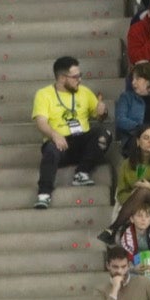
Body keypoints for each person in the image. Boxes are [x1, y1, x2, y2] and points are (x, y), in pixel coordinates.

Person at [32, 55, 108, 211]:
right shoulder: (44, 94)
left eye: (80, 75)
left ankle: (82, 173)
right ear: (61, 78)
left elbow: (100, 118)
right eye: (75, 77)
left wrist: (103, 112)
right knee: (51, 150)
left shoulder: (84, 92)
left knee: (103, 133)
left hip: (82, 141)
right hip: (61, 143)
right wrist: (54, 134)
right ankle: (44, 193)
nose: (79, 79)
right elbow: (41, 122)